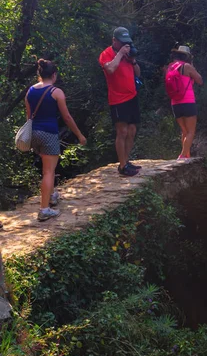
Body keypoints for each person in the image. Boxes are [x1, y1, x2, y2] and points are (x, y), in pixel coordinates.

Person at [25, 59, 87, 221]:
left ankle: (51, 196)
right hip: (49, 133)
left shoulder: (30, 91)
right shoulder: (56, 92)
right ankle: (44, 209)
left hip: (34, 134)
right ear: (54, 75)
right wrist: (79, 135)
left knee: (47, 168)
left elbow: (29, 117)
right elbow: (66, 117)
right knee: (49, 171)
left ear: (39, 74)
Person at [99, 27, 142, 177]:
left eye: (127, 43)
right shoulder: (106, 54)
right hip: (118, 99)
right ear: (114, 41)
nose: (125, 45)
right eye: (122, 43)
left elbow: (138, 73)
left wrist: (133, 60)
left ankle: (126, 161)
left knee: (131, 131)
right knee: (122, 131)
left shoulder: (128, 55)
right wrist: (120, 54)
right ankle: (122, 165)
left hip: (132, 96)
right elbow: (110, 69)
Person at [166, 45, 203, 160]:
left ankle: (186, 154)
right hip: (188, 101)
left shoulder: (171, 67)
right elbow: (200, 80)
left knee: (184, 131)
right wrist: (192, 65)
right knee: (191, 131)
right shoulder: (187, 66)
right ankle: (182, 155)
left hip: (175, 103)